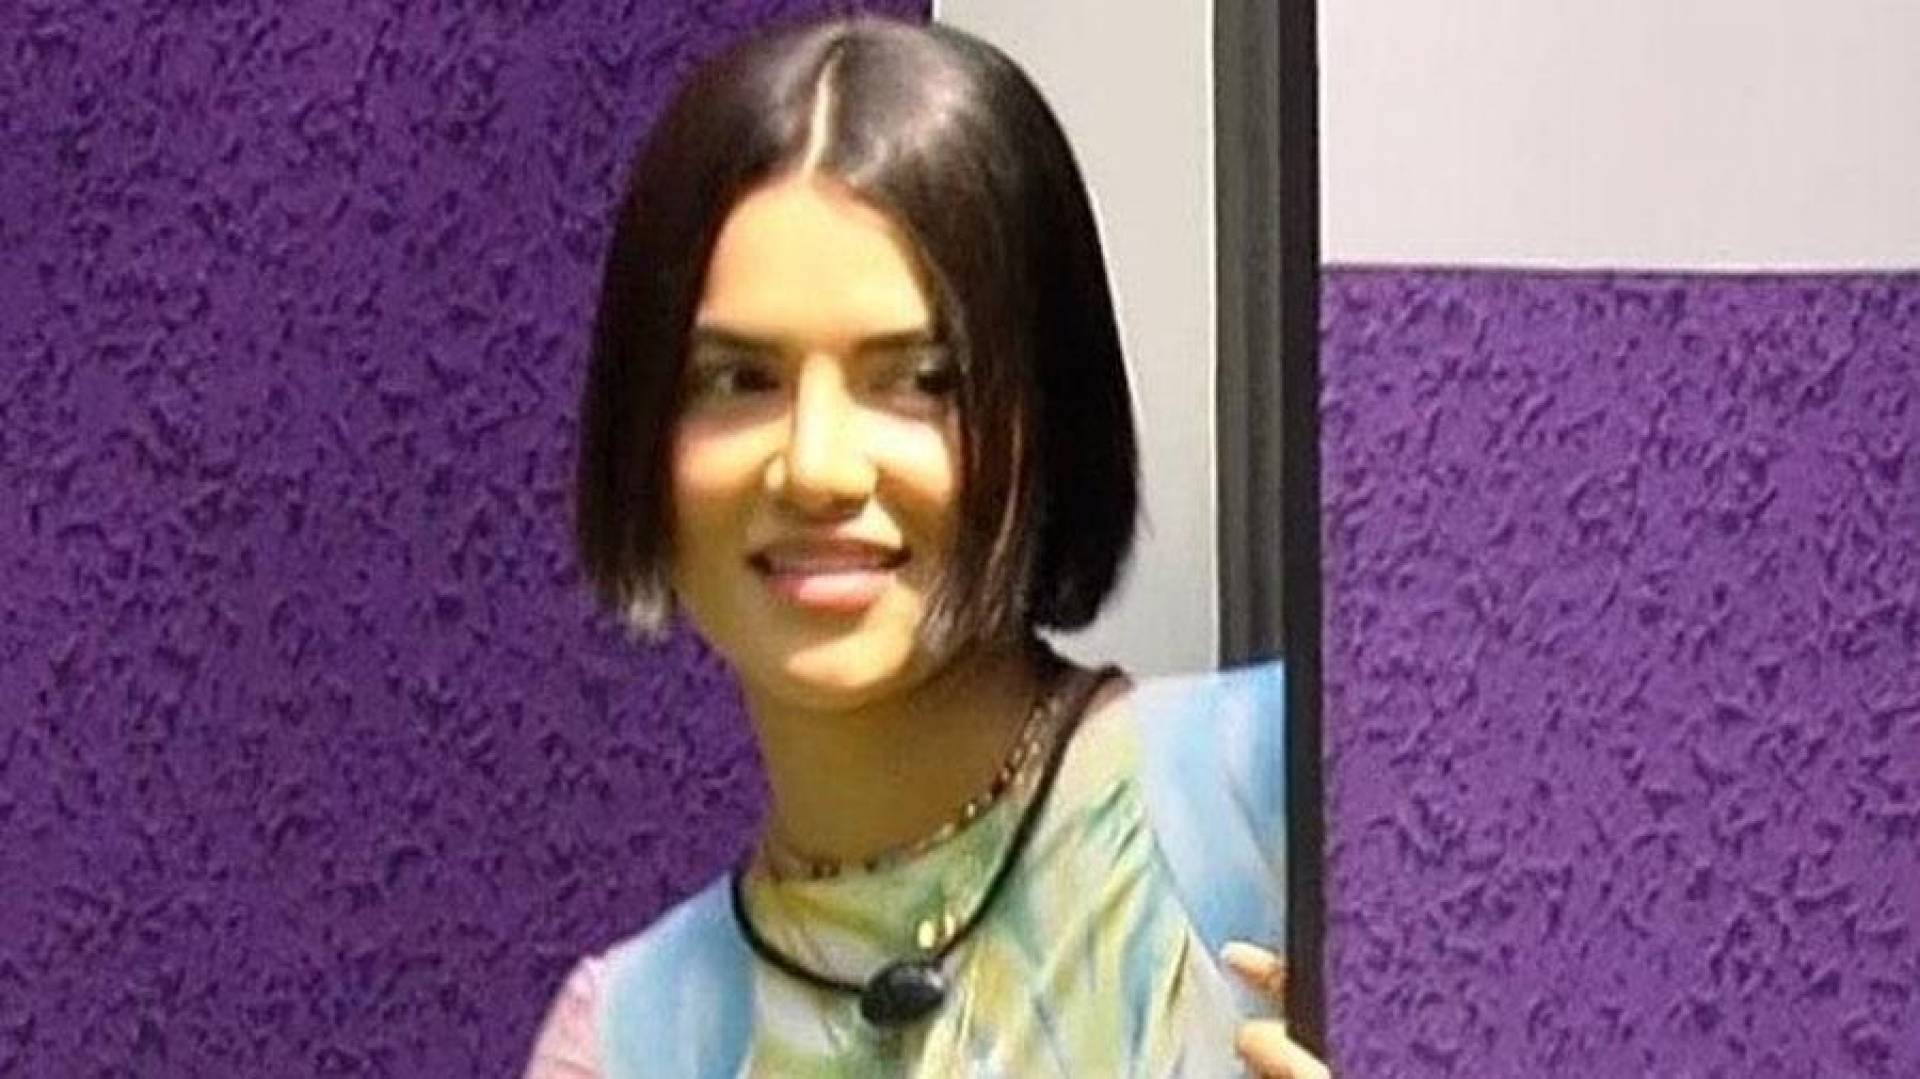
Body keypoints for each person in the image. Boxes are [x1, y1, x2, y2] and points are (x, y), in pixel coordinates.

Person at [526, 15, 1327, 1078]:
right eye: (739, 379)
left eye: (917, 380)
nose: (817, 466)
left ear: (1049, 411)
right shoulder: (630, 1042)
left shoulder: (1294, 801)